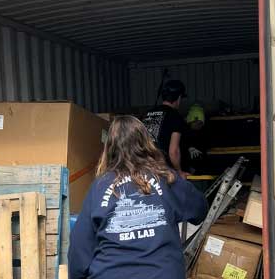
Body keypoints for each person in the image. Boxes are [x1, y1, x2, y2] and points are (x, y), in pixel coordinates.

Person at [68, 116, 207, 279]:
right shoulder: (166, 178)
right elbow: (200, 210)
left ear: (109, 148)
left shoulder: (99, 187)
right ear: (146, 143)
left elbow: (79, 251)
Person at [142, 79, 188, 173]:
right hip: (163, 170)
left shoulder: (147, 114)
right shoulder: (175, 117)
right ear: (179, 98)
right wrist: (179, 172)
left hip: (144, 167)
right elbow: (173, 151)